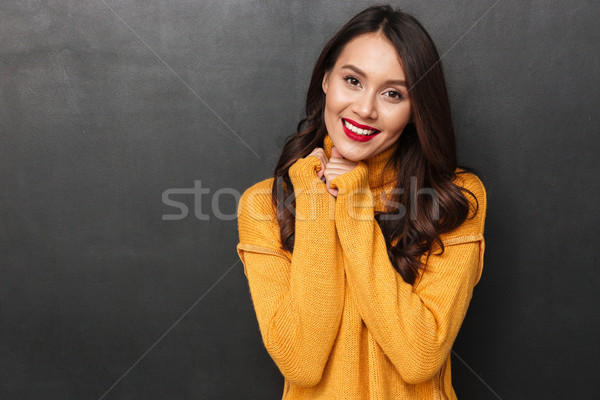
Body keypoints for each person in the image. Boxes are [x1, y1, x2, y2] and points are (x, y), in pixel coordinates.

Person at [236, 5, 487, 399]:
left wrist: (353, 204)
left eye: (392, 93)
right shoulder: (265, 206)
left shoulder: (455, 197)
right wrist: (317, 199)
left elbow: (419, 357)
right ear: (326, 80)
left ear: (415, 108)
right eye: (353, 80)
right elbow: (302, 361)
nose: (366, 109)